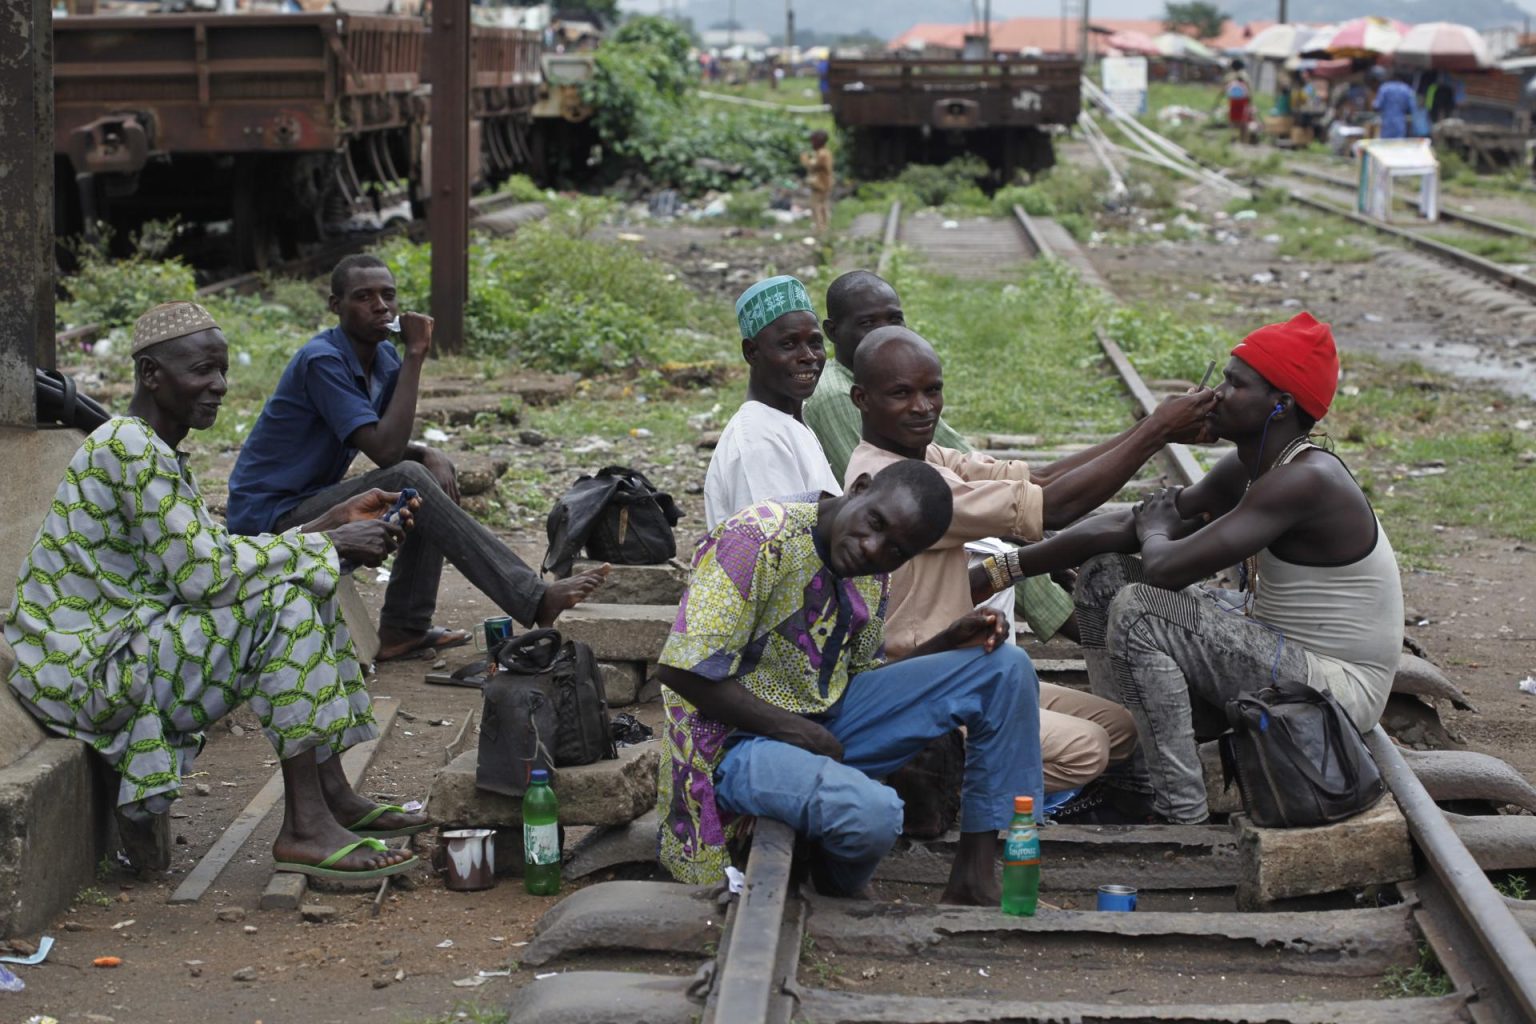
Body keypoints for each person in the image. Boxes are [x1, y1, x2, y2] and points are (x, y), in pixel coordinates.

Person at [5, 302, 430, 879]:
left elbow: (207, 557)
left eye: (222, 370)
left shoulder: (148, 448)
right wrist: (329, 545)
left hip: (119, 647)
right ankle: (305, 826)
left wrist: (325, 526)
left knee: (300, 579)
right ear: (152, 375)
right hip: (87, 669)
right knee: (286, 598)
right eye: (202, 371)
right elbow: (206, 577)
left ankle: (331, 797)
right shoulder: (127, 447)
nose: (220, 386)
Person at [1055, 312, 1402, 825]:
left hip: (1333, 690)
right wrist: (1009, 566)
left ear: (1280, 404)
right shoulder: (1256, 464)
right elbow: (1137, 527)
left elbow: (1164, 566)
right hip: (1281, 651)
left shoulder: (1306, 479)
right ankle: (1129, 774)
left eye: (1235, 384)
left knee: (1142, 610)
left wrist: (1155, 531)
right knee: (1107, 576)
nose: (1216, 394)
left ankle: (1176, 811)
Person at [843, 327, 1215, 800]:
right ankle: (944, 787)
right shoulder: (902, 489)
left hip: (965, 667)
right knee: (1088, 749)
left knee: (1121, 727)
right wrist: (1157, 432)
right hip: (921, 684)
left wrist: (1151, 428)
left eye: (932, 390)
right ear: (861, 398)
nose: (922, 407)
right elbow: (1053, 508)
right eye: (901, 394)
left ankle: (972, 768)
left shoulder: (925, 456)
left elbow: (1039, 479)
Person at [655, 461, 1043, 905]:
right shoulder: (755, 540)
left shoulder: (872, 567)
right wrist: (800, 731)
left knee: (1005, 668)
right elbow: (680, 668)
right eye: (874, 524)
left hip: (825, 725)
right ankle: (837, 882)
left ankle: (973, 876)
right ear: (858, 488)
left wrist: (946, 642)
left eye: (896, 550)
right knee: (874, 816)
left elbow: (858, 677)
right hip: (736, 744)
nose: (873, 549)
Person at [226, 255, 606, 661]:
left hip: (312, 500)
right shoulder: (323, 360)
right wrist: (416, 354)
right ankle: (532, 598)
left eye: (388, 296)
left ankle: (404, 627)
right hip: (270, 521)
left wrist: (428, 451)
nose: (380, 306)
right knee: (408, 474)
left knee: (423, 472)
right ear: (336, 306)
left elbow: (377, 436)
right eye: (363, 297)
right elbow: (385, 451)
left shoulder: (384, 359)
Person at [704, 276, 841, 529]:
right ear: (752, 352)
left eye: (814, 342)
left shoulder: (789, 422)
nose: (809, 356)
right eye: (789, 344)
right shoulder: (758, 439)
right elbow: (777, 551)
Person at [799, 130, 835, 236]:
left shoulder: (822, 154)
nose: (812, 143)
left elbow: (813, 166)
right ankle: (823, 227)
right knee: (822, 205)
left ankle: (820, 229)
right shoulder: (823, 153)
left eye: (813, 141)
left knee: (817, 206)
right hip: (823, 183)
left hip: (821, 184)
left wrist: (805, 160)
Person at [1374, 72, 1417, 140]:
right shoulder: (1406, 89)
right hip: (1400, 121)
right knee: (1398, 145)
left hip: (1386, 121)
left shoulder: (1384, 88)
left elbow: (1377, 105)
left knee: (1385, 145)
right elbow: (1412, 107)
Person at [1222, 59, 1252, 145]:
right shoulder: (1245, 75)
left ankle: (1233, 137)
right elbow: (1249, 90)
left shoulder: (1230, 76)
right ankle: (1243, 139)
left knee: (1233, 120)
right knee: (1243, 120)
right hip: (1243, 101)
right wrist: (1250, 102)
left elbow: (1225, 87)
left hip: (1233, 101)